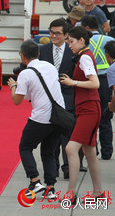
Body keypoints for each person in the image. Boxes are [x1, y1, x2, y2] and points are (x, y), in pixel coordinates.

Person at [8, 40, 63, 200]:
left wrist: (13, 86)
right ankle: (51, 188)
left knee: (25, 147)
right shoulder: (50, 66)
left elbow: (17, 101)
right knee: (49, 152)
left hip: (41, 117)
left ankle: (35, 180)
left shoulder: (25, 73)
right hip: (58, 117)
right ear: (38, 54)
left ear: (22, 56)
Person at [59, 26, 103, 203]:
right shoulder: (84, 56)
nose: (69, 45)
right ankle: (98, 192)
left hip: (89, 109)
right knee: (89, 151)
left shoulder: (85, 57)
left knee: (71, 148)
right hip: (87, 108)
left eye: (71, 42)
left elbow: (95, 84)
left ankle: (70, 194)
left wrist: (72, 82)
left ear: (81, 41)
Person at [39, 18, 75, 179]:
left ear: (66, 35)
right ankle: (52, 167)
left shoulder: (73, 51)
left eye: (57, 33)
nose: (53, 36)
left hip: (68, 99)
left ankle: (68, 167)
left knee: (66, 136)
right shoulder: (43, 50)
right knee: (50, 136)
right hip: (48, 100)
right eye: (51, 32)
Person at [80, 15, 114, 160]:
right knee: (105, 117)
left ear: (86, 27)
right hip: (107, 81)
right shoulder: (109, 40)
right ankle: (107, 151)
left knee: (90, 116)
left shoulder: (84, 43)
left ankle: (93, 150)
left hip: (90, 82)